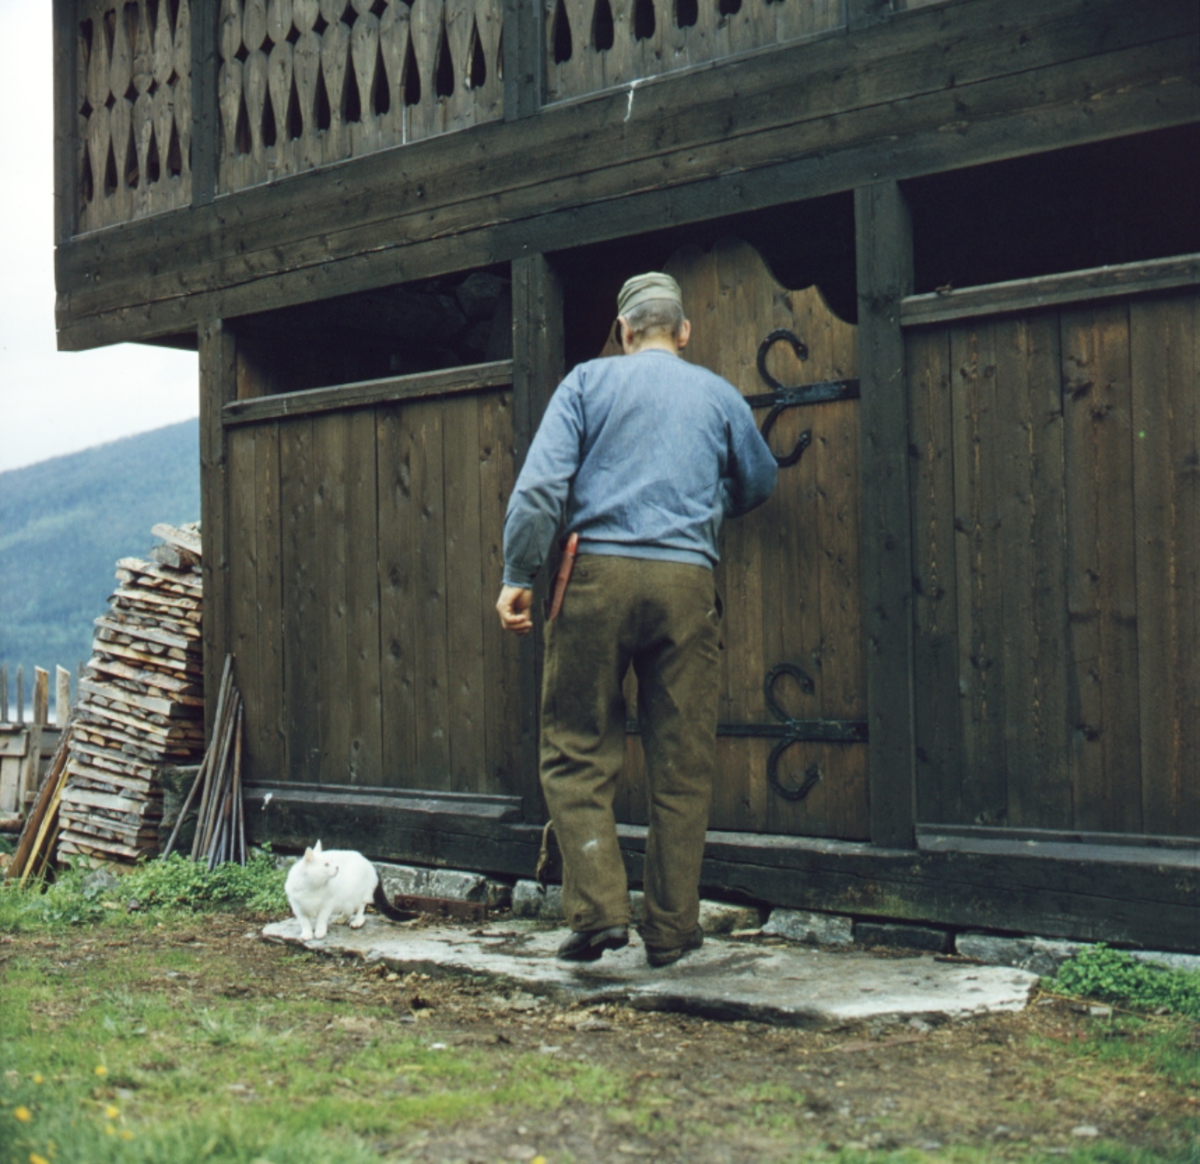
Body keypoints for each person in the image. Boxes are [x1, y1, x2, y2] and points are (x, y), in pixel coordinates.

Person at [496, 271, 778, 967]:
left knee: (576, 747)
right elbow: (760, 479)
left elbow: (539, 488)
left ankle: (598, 912)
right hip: (689, 582)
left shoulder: (587, 384)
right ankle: (673, 929)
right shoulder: (717, 395)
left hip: (594, 579)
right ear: (683, 332)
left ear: (625, 333)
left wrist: (516, 574)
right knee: (682, 762)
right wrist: (703, 511)